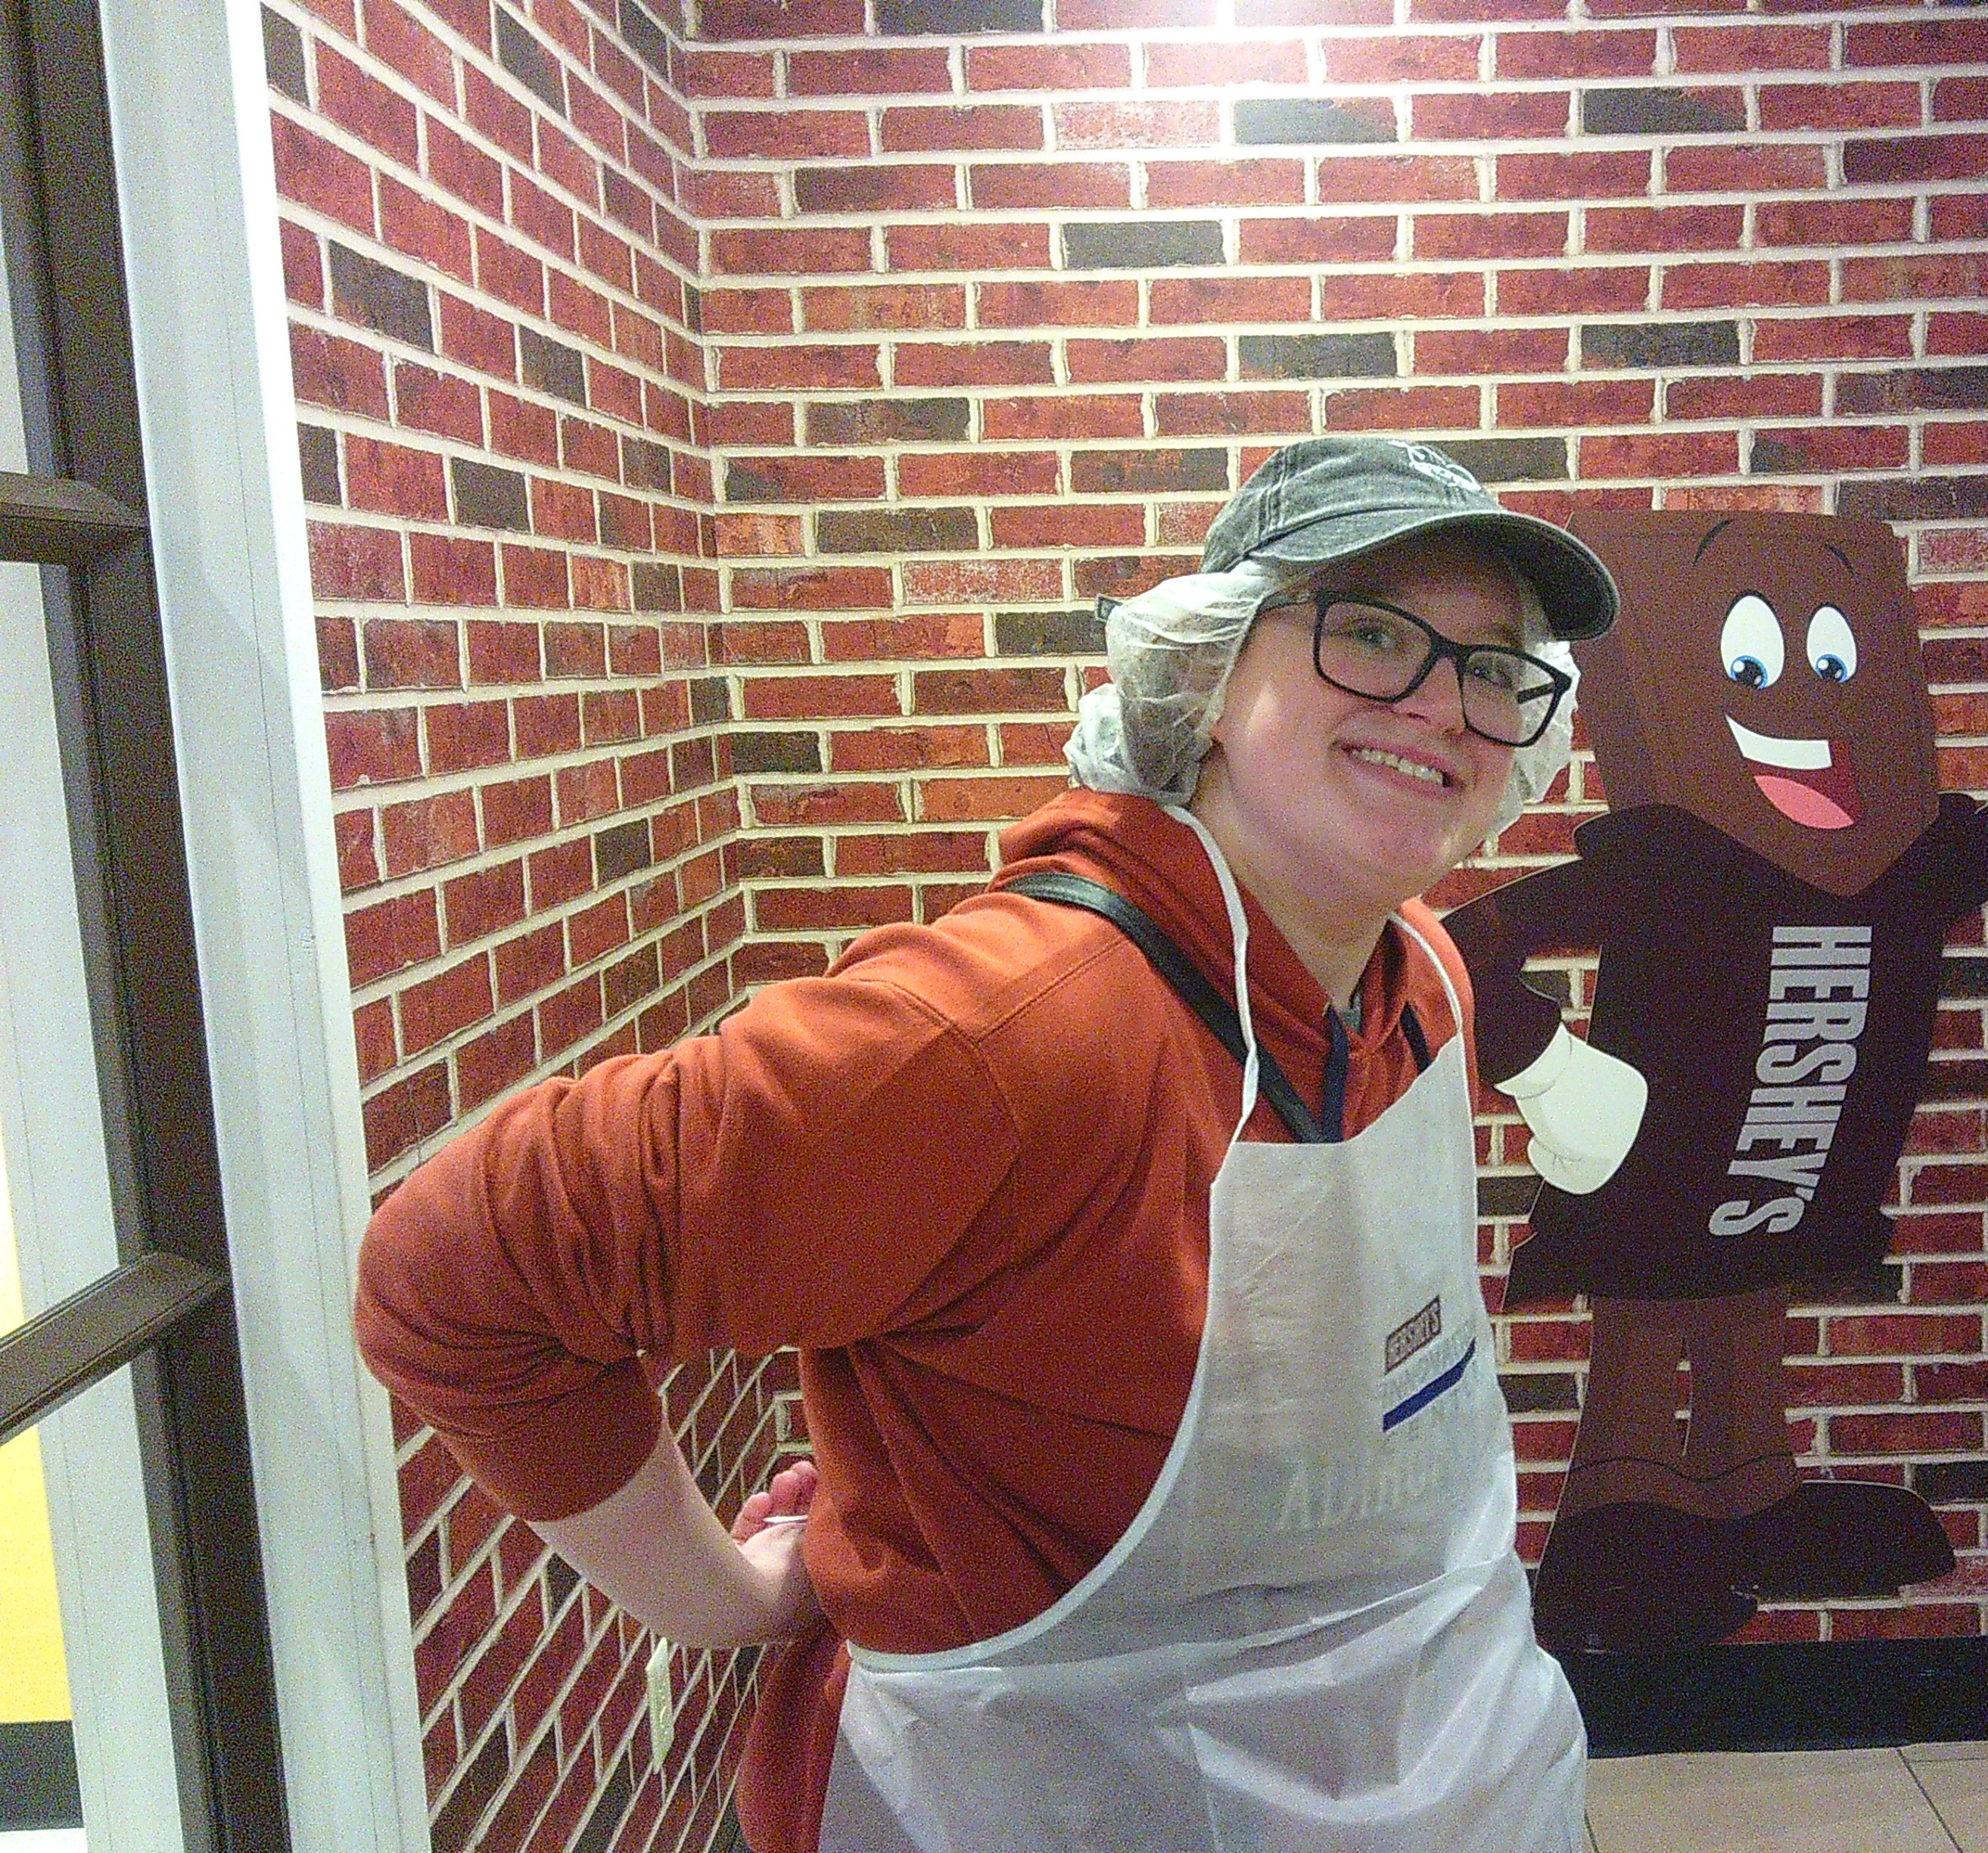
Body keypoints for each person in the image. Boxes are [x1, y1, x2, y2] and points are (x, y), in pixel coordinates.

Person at [353, 436, 1631, 1852]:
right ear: (1205, 675)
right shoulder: (1011, 1036)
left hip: (1460, 1774)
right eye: (1373, 633)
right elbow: (459, 1268)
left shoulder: (1428, 981)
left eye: (1497, 668)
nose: (1444, 704)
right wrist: (713, 1597)